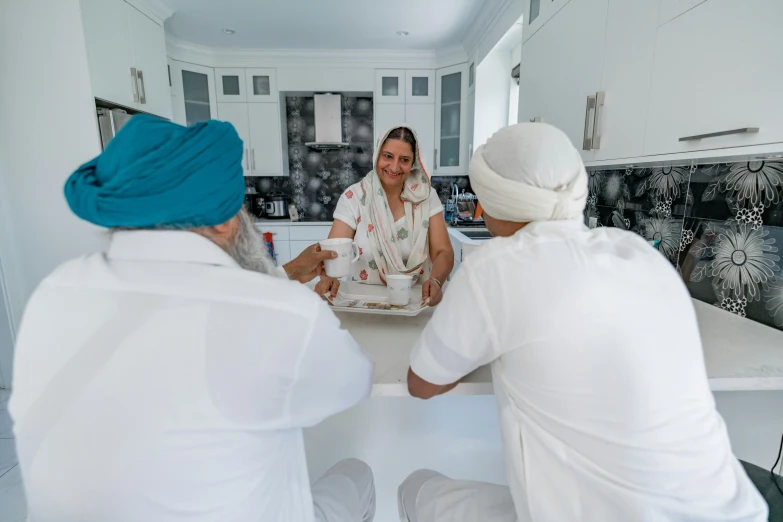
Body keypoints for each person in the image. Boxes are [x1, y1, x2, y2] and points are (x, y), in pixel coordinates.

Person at [9, 115, 376, 522]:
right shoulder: (280, 315)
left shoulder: (55, 292)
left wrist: (284, 277)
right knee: (356, 475)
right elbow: (354, 383)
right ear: (221, 219)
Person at [399, 123, 768, 522]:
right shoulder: (637, 252)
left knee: (416, 488)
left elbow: (421, 383)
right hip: (734, 512)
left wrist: (476, 343)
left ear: (496, 202)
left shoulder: (496, 267)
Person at [315, 125, 453, 306]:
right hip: (362, 302)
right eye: (388, 156)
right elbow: (333, 251)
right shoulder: (355, 197)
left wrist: (436, 281)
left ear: (413, 163)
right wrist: (327, 277)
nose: (394, 167)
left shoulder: (426, 196)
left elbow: (444, 251)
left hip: (413, 303)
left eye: (404, 159)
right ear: (377, 155)